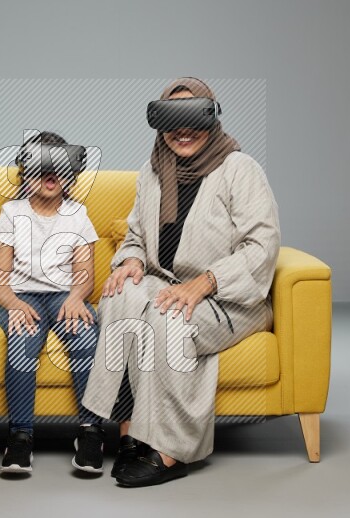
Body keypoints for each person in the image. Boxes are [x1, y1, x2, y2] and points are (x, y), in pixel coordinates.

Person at [81, 77, 281, 487]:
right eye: (173, 118)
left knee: (166, 319)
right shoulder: (152, 171)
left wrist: (204, 283)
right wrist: (132, 260)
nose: (183, 130)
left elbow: (262, 247)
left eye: (193, 117)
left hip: (228, 298)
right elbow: (136, 235)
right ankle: (131, 432)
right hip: (168, 283)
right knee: (120, 296)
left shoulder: (240, 169)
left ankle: (172, 450)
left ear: (211, 117)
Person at [0, 131, 105, 474]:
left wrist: (75, 297)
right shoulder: (11, 212)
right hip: (20, 294)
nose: (51, 176)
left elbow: (85, 272)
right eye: (42, 166)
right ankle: (20, 436)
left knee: (85, 334)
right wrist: (11, 304)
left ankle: (90, 432)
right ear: (27, 171)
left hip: (63, 295)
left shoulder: (78, 214)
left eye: (59, 167)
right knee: (22, 341)